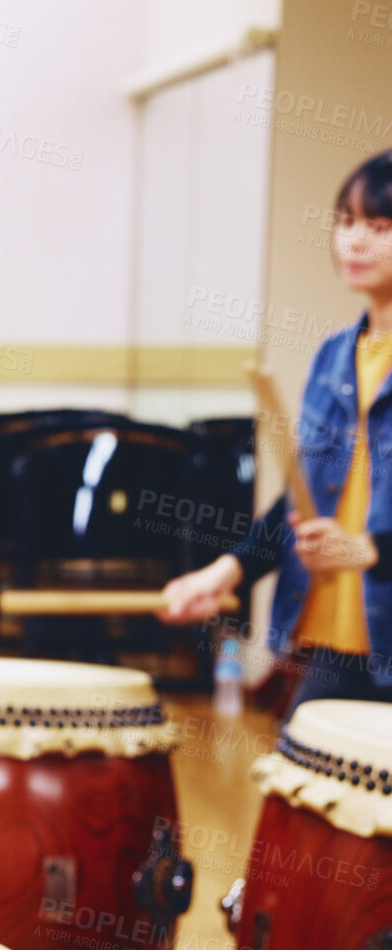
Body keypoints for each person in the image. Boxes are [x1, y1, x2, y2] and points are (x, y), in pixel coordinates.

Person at [161, 149, 392, 709]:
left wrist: (369, 549)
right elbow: (302, 499)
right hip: (333, 645)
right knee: (299, 789)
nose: (355, 241)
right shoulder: (335, 355)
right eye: (346, 221)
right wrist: (227, 569)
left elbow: (357, 541)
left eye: (380, 227)